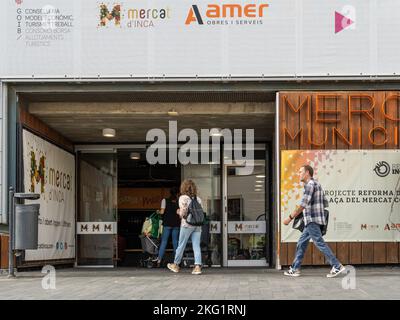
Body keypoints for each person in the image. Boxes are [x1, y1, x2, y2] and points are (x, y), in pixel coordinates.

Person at [283, 165, 346, 278]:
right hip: (312, 220)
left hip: (312, 219)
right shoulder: (316, 184)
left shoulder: (310, 185)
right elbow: (324, 202)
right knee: (301, 243)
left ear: (307, 172)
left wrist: (290, 217)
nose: (299, 174)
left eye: (300, 171)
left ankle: (337, 266)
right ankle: (295, 268)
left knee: (319, 242)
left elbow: (303, 205)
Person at [167, 179, 203, 275]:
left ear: (183, 188)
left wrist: (179, 212)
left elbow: (183, 213)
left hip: (187, 225)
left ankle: (176, 265)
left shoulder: (183, 198)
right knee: (196, 246)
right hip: (197, 225)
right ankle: (197, 267)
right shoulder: (198, 199)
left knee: (181, 245)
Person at [153, 187, 180, 266]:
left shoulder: (164, 200)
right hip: (176, 224)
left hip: (167, 223)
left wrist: (157, 211)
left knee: (164, 242)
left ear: (170, 193)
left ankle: (159, 260)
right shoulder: (179, 201)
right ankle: (176, 261)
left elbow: (162, 212)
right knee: (175, 242)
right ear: (177, 193)